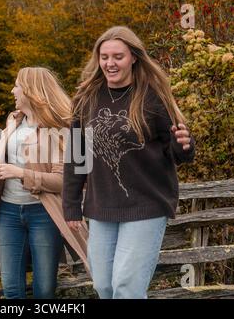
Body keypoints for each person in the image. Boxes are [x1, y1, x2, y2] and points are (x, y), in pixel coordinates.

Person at [62, 26, 195, 299]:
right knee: (104, 286)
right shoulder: (85, 100)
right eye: (104, 57)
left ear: (134, 57)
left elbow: (178, 152)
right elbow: (76, 155)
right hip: (101, 207)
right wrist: (71, 204)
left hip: (146, 203)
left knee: (127, 287)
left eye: (118, 57)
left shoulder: (152, 97)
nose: (110, 63)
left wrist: (184, 145)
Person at [0, 67, 89, 299]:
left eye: (17, 85)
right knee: (11, 289)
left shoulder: (61, 128)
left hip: (44, 214)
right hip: (8, 213)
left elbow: (64, 181)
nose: (12, 90)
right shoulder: (14, 120)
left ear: (31, 90)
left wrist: (20, 173)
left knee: (45, 289)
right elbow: (5, 168)